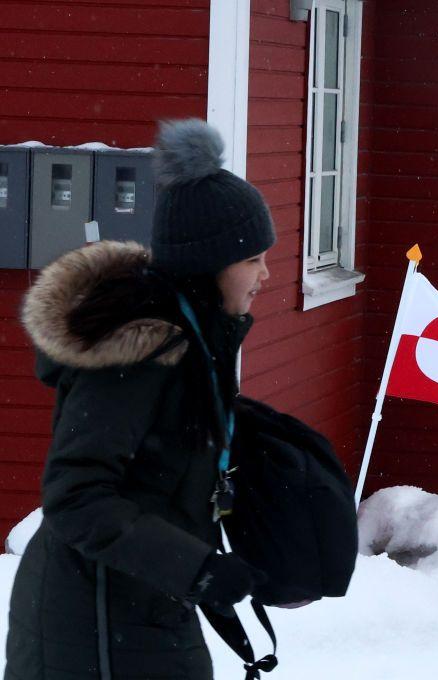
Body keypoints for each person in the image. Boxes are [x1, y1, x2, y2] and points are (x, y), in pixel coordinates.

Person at [6, 119, 276, 679]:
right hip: (93, 628)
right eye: (252, 259)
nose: (265, 274)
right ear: (212, 263)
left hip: (143, 610)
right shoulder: (139, 354)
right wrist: (197, 568)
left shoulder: (194, 344)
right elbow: (76, 498)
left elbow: (169, 478)